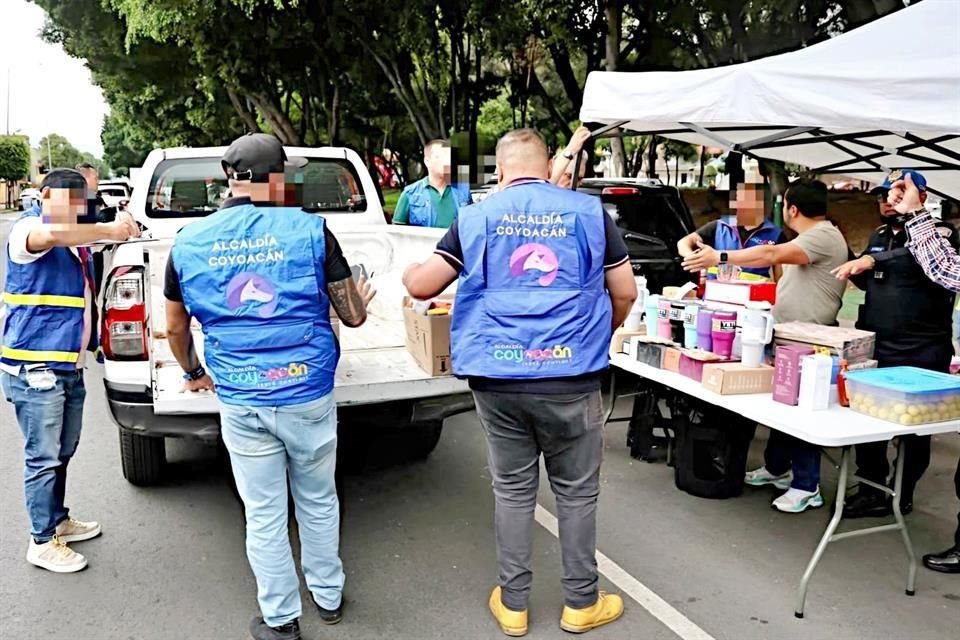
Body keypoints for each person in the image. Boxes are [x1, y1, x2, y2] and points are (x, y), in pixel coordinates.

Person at [403, 128, 637, 636]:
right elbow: (625, 291)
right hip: (573, 375)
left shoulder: (476, 217)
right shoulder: (589, 213)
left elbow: (423, 286)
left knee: (512, 491)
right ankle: (581, 604)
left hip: (497, 376)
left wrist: (407, 274)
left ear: (500, 169)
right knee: (576, 493)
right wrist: (603, 330)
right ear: (547, 162)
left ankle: (513, 605)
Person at [163, 133, 376, 640]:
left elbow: (174, 328)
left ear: (229, 179)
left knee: (263, 513)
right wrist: (360, 298)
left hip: (241, 396)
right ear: (278, 177)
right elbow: (352, 314)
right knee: (318, 498)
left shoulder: (189, 242)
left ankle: (281, 621)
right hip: (308, 391)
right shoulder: (312, 231)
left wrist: (195, 373)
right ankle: (328, 597)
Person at [1, 168, 139, 573]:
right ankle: (41, 540)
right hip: (35, 366)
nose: (75, 210)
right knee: (43, 457)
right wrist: (113, 230)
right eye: (66, 199)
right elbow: (55, 234)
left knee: (62, 451)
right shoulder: (28, 230)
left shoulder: (77, 240)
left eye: (81, 202)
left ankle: (57, 519)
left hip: (65, 365)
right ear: (42, 195)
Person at [683, 179, 849, 513]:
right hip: (793, 336)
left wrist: (721, 256)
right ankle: (777, 468)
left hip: (811, 341)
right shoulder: (812, 237)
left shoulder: (822, 236)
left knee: (801, 413)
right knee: (781, 408)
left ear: (792, 208)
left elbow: (771, 253)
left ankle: (807, 485)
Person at [830, 170, 956, 519]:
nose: (888, 201)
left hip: (922, 347)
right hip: (879, 342)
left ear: (920, 195)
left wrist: (873, 259)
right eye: (884, 195)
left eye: (898, 193)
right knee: (868, 418)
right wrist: (860, 269)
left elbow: (926, 262)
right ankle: (872, 488)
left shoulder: (941, 233)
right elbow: (875, 284)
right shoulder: (879, 234)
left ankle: (902, 492)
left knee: (915, 427)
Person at [677, 180, 787, 280]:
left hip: (755, 297)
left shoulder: (775, 235)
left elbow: (781, 277)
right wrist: (692, 258)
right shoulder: (719, 226)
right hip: (718, 295)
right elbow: (683, 242)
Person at [392, 139, 472, 228]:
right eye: (439, 157)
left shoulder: (463, 191)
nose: (446, 162)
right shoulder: (410, 194)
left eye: (448, 157)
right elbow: (397, 234)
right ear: (427, 161)